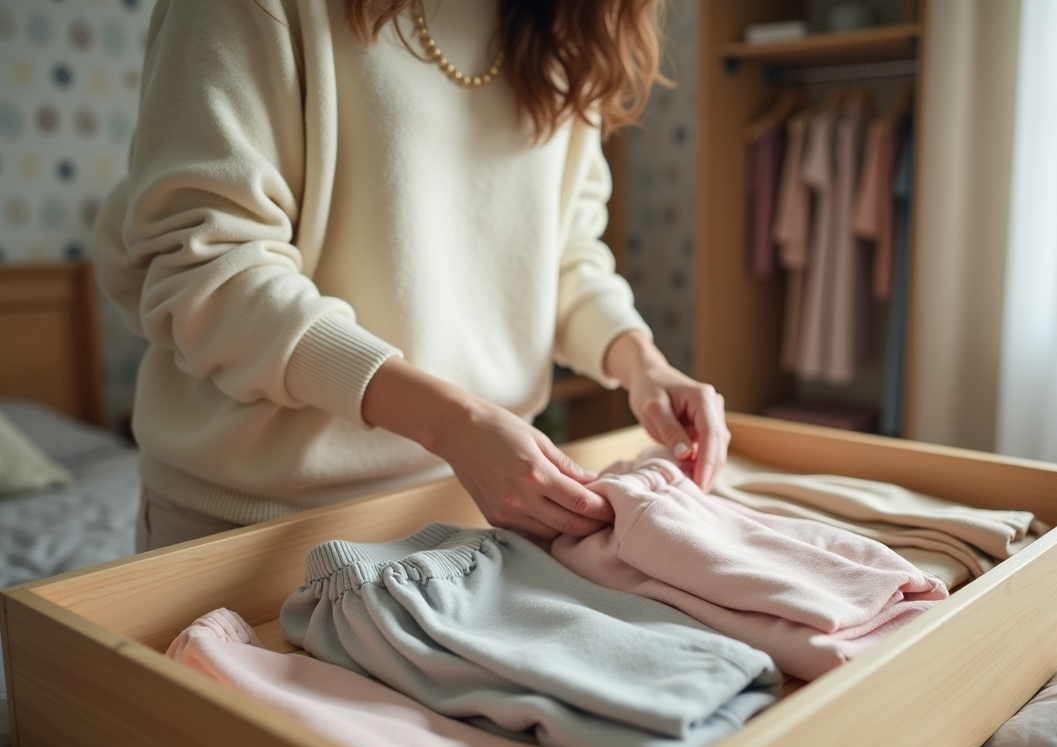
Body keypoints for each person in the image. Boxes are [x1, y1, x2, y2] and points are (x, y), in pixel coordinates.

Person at [93, 0, 730, 552]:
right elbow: (211, 272)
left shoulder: (571, 26)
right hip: (247, 528)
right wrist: (449, 423)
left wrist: (642, 363)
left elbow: (563, 259)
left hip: (471, 518)